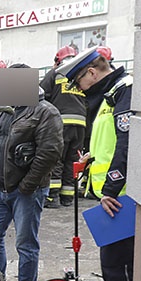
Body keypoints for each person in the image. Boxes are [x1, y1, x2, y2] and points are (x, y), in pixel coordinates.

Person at [58, 47, 133, 281]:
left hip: (121, 198)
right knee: (111, 264)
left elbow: (127, 145)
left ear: (92, 71)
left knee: (119, 266)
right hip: (112, 197)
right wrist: (91, 158)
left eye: (80, 80)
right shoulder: (110, 96)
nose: (80, 88)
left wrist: (111, 190)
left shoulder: (124, 91)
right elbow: (111, 143)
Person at [0, 64, 63, 281]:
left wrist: (28, 185)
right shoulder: (5, 109)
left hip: (26, 192)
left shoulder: (45, 112)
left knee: (26, 244)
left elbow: (50, 152)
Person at [40, 45, 86, 209]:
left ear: (57, 61)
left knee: (56, 159)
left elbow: (40, 93)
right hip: (80, 124)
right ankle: (67, 198)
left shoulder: (56, 73)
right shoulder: (80, 75)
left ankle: (52, 198)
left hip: (61, 122)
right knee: (71, 161)